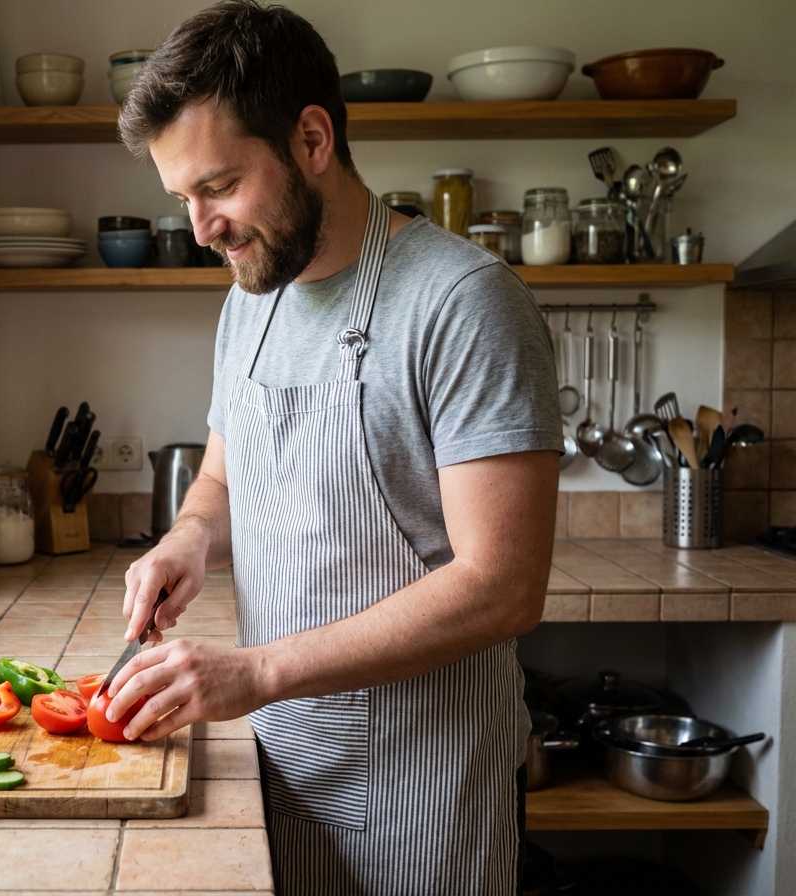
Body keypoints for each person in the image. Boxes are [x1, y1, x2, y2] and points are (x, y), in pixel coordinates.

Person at [102, 2, 562, 893]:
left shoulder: (465, 302)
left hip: (427, 786)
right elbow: (222, 478)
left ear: (312, 138)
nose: (201, 229)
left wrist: (258, 669)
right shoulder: (251, 297)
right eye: (182, 199)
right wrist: (187, 539)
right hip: (281, 752)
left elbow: (503, 586)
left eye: (220, 186)